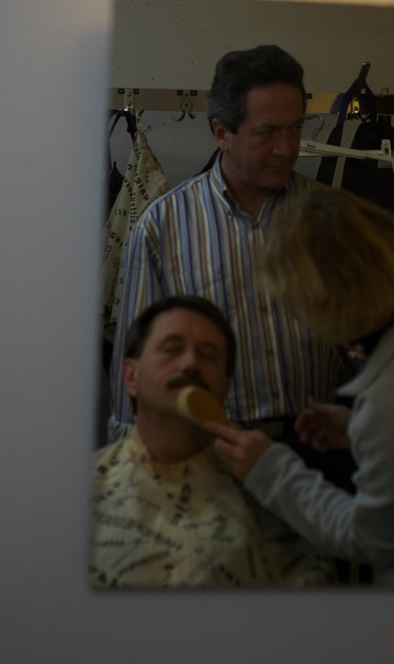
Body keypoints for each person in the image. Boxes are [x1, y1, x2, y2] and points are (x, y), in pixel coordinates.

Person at [208, 188, 394, 589]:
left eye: (295, 303)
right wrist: (359, 429)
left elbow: (372, 540)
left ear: (332, 303)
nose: (293, 314)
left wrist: (271, 470)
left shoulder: (391, 402)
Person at [107, 45, 356, 486]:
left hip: (319, 459)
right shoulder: (162, 227)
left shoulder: (334, 219)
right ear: (222, 132)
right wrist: (138, 476)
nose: (286, 149)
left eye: (295, 129)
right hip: (208, 459)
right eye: (267, 133)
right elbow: (137, 367)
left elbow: (368, 348)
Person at [89, 295, 335, 589]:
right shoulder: (76, 493)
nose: (191, 363)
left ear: (225, 387)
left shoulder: (269, 496)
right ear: (131, 376)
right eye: (172, 349)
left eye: (208, 354)